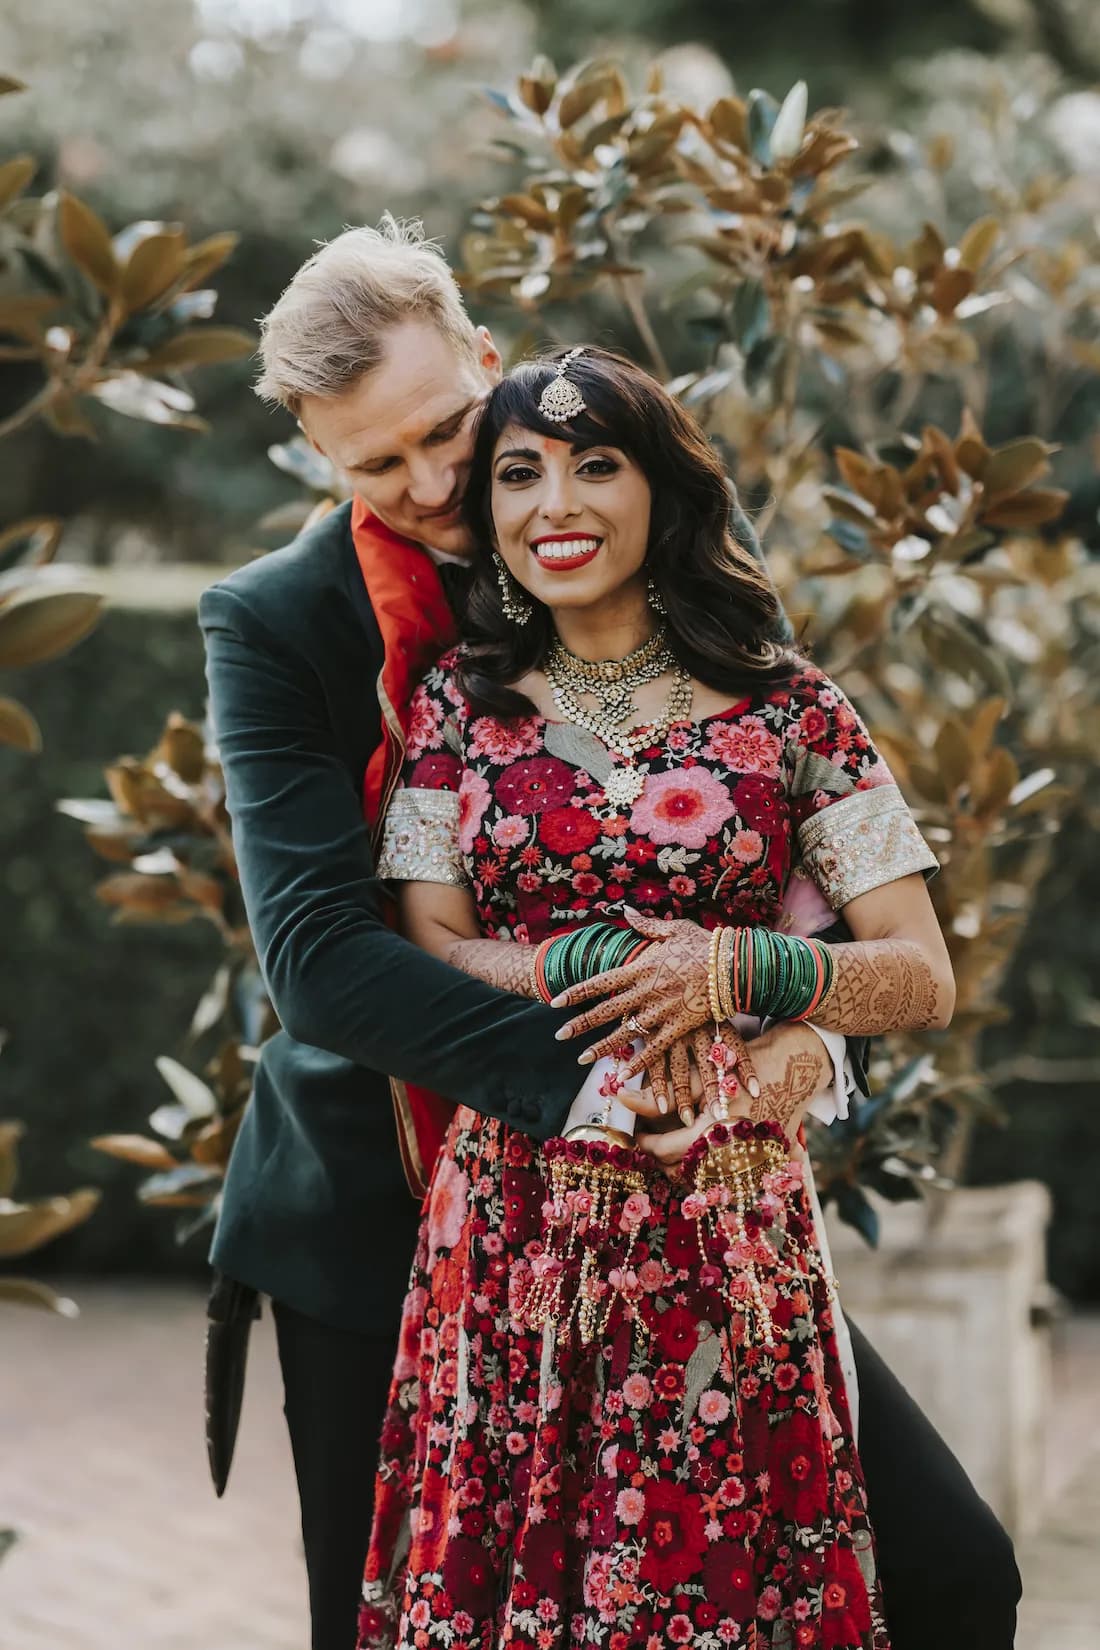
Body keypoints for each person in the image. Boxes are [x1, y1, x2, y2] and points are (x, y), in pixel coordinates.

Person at [201, 220, 1019, 1649]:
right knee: (403, 1621)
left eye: (448, 432)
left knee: (944, 1574)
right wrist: (612, 1056)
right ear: (318, 460)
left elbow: (787, 842)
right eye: (374, 465)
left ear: (487, 361)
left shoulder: (628, 503)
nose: (438, 486)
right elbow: (323, 960)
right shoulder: (275, 623)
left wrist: (803, 1026)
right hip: (380, 1188)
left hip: (695, 1190)